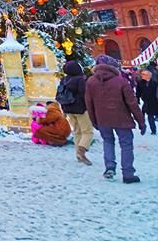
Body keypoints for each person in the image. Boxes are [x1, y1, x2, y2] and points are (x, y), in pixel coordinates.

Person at [85, 54, 145, 183]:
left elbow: (89, 103)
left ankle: (109, 168)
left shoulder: (91, 82)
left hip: (102, 119)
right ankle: (128, 173)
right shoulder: (121, 81)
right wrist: (141, 121)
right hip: (121, 119)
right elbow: (132, 103)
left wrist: (94, 120)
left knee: (108, 141)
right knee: (126, 144)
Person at [58, 60, 93, 165]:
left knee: (77, 131)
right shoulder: (80, 80)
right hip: (81, 109)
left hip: (68, 109)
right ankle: (81, 150)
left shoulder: (64, 80)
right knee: (87, 131)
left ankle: (78, 155)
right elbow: (84, 95)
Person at [136, 69, 158, 135]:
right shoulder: (140, 83)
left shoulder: (155, 82)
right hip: (147, 102)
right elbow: (138, 92)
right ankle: (152, 130)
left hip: (155, 101)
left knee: (151, 114)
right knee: (149, 115)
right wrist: (138, 99)